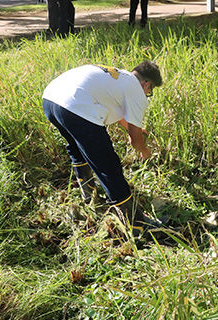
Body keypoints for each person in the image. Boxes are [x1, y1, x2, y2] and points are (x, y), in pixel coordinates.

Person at [42, 61, 163, 235]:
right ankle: (135, 225)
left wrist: (132, 128)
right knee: (108, 164)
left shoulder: (118, 77)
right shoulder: (137, 90)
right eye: (150, 92)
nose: (147, 94)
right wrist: (145, 151)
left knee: (77, 148)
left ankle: (89, 197)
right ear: (147, 84)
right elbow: (135, 142)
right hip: (75, 106)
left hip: (51, 100)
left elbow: (120, 114)